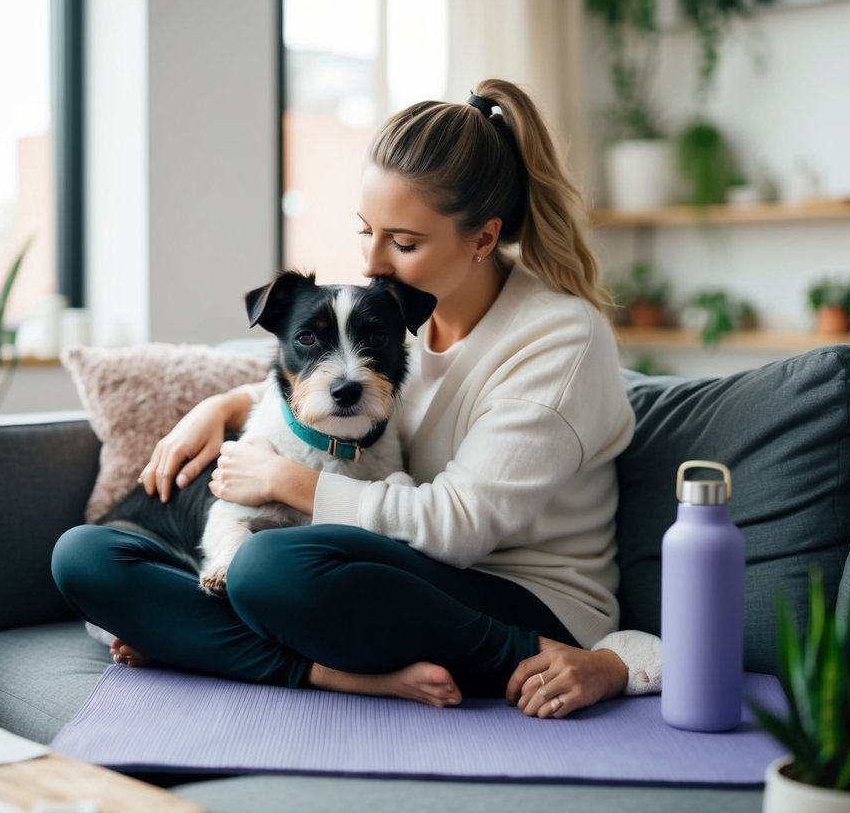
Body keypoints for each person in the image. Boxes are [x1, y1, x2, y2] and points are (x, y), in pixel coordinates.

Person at [52, 77, 659, 718]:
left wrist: (286, 480)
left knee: (268, 566)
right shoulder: (399, 317)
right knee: (85, 556)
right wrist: (225, 407)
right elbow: (341, 388)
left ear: (482, 238)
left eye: (403, 242)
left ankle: (505, 657)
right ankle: (320, 672)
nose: (372, 263)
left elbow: (455, 528)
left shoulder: (558, 339)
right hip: (394, 568)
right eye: (366, 231)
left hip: (517, 595)